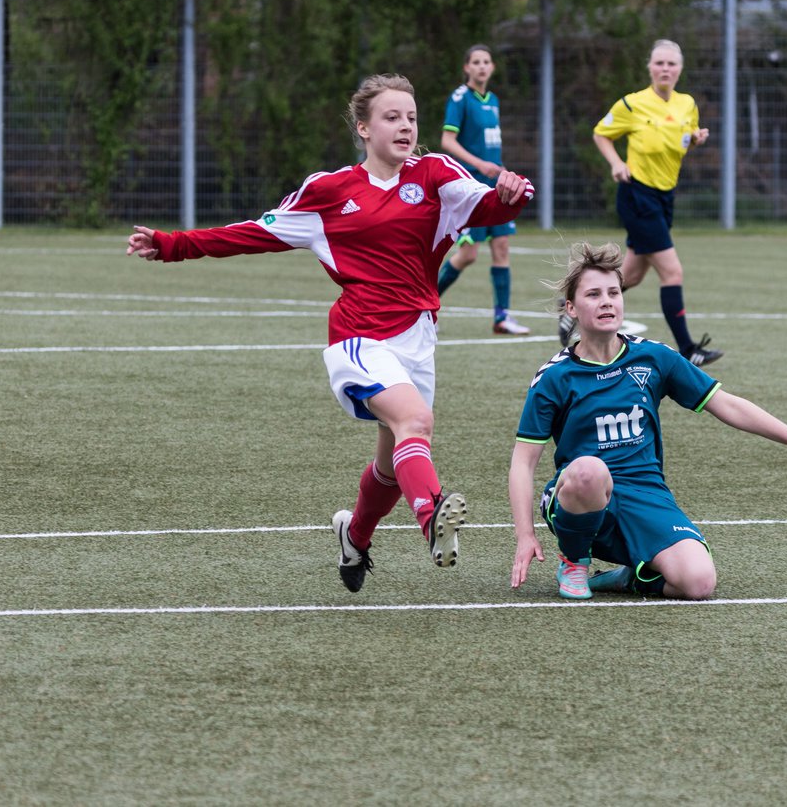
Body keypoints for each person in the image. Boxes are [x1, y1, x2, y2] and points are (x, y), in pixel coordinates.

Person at [127, 74, 534, 593]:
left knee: (392, 462)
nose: (405, 126)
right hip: (358, 337)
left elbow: (488, 205)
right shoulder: (329, 191)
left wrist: (512, 192)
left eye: (411, 117)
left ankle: (355, 535)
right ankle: (432, 517)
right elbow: (255, 232)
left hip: (417, 338)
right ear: (363, 128)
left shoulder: (434, 175)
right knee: (416, 420)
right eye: (391, 117)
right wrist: (174, 243)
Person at [511, 242, 787, 601]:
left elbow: (726, 404)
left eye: (614, 292)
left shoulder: (653, 357)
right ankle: (574, 561)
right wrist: (525, 535)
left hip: (645, 494)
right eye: (594, 294)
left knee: (698, 583)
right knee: (589, 470)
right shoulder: (555, 377)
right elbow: (523, 463)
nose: (607, 301)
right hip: (579, 497)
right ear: (570, 307)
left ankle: (627, 578)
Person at [561, 39, 721, 368]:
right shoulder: (633, 104)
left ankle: (571, 313)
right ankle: (688, 348)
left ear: (680, 69)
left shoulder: (687, 104)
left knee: (630, 275)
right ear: (649, 67)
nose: (665, 69)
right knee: (672, 271)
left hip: (665, 197)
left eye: (671, 64)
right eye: (659, 63)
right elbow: (600, 134)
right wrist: (616, 164)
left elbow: (683, 138)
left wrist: (696, 138)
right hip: (637, 195)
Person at [436, 44, 531, 335]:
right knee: (468, 255)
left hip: (496, 184)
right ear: (467, 67)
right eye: (475, 61)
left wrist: (495, 169)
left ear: (492, 68)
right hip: (471, 185)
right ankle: (424, 307)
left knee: (501, 247)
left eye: (486, 62)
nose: (481, 66)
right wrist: (481, 164)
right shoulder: (460, 98)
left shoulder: (493, 100)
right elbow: (447, 142)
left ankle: (502, 317)